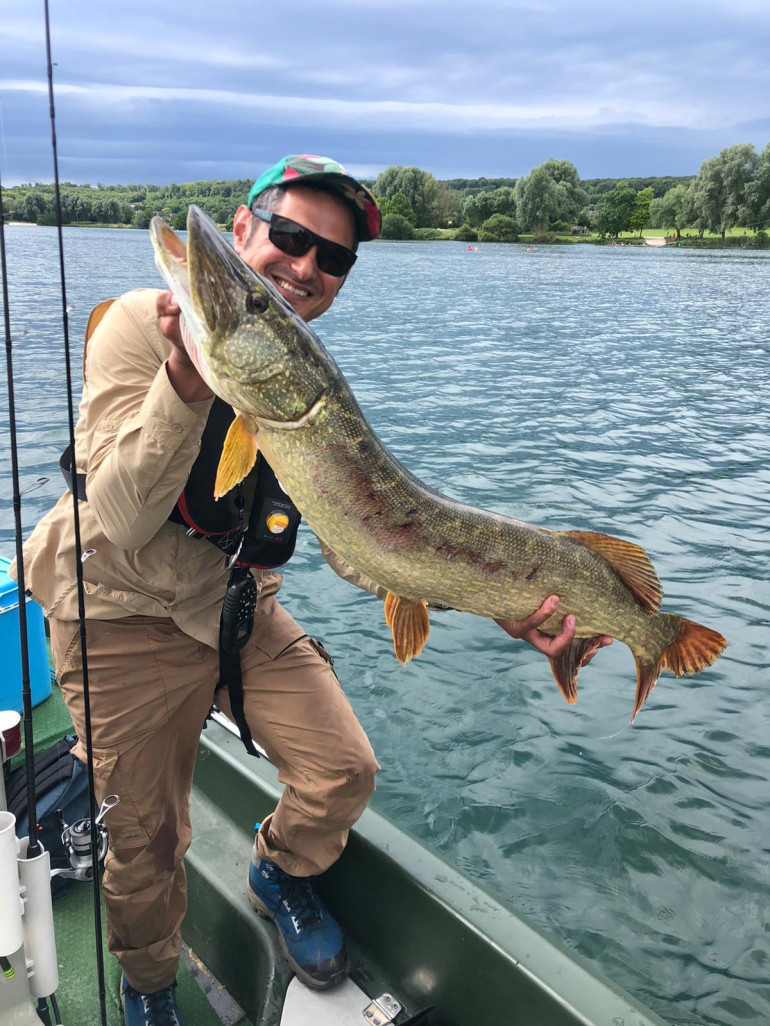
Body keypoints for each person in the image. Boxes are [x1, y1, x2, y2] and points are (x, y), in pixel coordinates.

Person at [15, 154, 610, 1026]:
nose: (305, 268)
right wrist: (185, 378)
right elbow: (116, 518)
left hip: (227, 607)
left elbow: (367, 546)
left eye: (332, 259)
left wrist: (503, 603)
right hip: (118, 609)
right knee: (147, 843)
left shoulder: (304, 381)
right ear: (245, 229)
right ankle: (148, 988)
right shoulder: (135, 330)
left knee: (344, 771)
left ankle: (277, 868)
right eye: (289, 238)